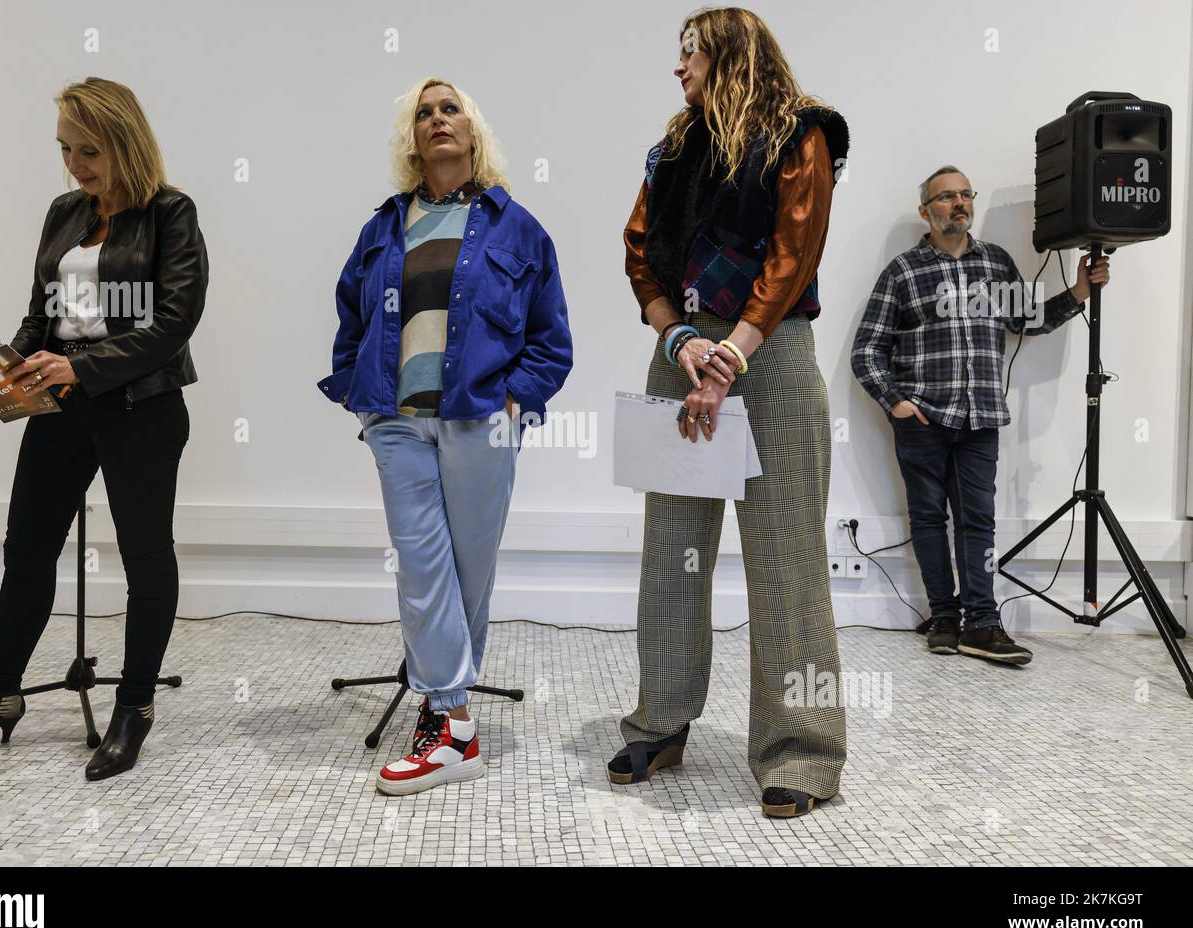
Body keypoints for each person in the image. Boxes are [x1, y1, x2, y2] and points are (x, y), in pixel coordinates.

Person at [0, 77, 208, 781]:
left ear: (125, 142)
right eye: (65, 150)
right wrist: (0, 374)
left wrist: (82, 365)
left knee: (145, 557)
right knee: (26, 551)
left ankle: (133, 709)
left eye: (89, 151)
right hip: (60, 403)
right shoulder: (64, 212)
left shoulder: (170, 212)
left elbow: (174, 322)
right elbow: (40, 317)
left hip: (141, 405)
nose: (75, 165)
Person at [613, 8, 850, 819]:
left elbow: (792, 255)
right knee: (672, 551)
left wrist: (731, 356)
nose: (678, 68)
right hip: (682, 349)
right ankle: (661, 720)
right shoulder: (673, 149)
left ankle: (802, 749)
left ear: (730, 53)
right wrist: (677, 335)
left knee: (787, 558)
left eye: (690, 53)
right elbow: (640, 251)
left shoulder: (800, 135)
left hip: (770, 351)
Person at [318, 77, 573, 796]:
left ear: (472, 130)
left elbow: (551, 339)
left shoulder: (516, 228)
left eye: (449, 108)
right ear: (413, 137)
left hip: (479, 419)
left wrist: (514, 402)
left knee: (468, 571)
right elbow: (350, 317)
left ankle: (443, 713)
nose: (437, 119)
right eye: (423, 113)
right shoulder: (384, 227)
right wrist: (362, 400)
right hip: (398, 421)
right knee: (422, 566)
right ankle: (454, 727)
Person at [851, 165, 1110, 665]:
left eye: (966, 194)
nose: (960, 203)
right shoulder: (904, 272)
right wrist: (896, 402)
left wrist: (1079, 292)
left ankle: (983, 624)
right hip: (923, 419)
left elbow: (1025, 320)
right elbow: (866, 351)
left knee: (978, 523)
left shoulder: (995, 263)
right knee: (929, 519)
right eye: (947, 197)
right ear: (925, 210)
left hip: (981, 418)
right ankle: (944, 618)